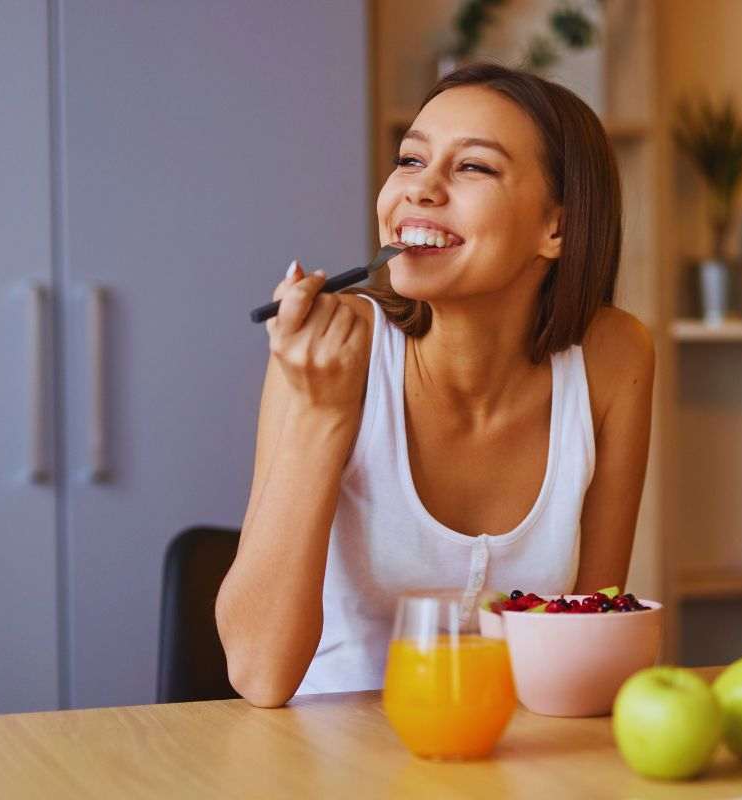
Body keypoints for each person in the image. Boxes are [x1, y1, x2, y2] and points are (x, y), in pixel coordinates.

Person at [216, 63, 654, 708]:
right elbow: (258, 674)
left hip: (511, 755)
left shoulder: (614, 357)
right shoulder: (334, 351)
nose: (420, 190)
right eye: (410, 159)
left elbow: (583, 643)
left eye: (472, 167)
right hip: (323, 759)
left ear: (555, 228)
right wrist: (323, 413)